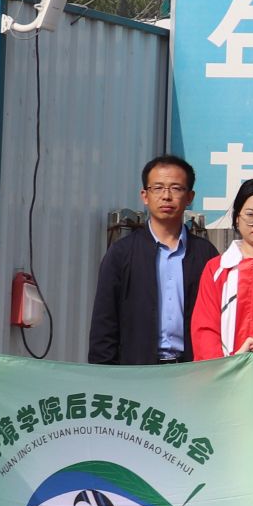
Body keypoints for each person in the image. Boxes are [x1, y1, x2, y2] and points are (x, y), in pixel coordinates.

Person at [88, 154, 218, 365]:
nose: (166, 196)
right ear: (145, 196)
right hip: (138, 371)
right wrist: (104, 373)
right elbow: (104, 322)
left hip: (192, 370)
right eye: (157, 188)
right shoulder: (121, 253)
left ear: (190, 197)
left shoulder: (206, 254)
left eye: (176, 188)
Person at [189, 178, 253, 359]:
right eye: (250, 214)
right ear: (237, 217)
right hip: (230, 369)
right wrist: (224, 369)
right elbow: (205, 327)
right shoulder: (217, 268)